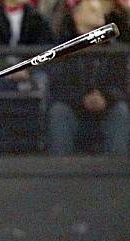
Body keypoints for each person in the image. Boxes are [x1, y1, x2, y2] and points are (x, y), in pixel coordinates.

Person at [47, 0, 129, 155]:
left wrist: (105, 98)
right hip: (73, 106)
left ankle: (118, 174)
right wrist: (82, 99)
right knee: (58, 111)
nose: (99, 12)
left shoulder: (115, 51)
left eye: (100, 10)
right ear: (76, 15)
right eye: (92, 10)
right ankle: (59, 171)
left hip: (107, 107)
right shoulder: (62, 47)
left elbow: (121, 84)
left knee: (121, 111)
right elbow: (58, 85)